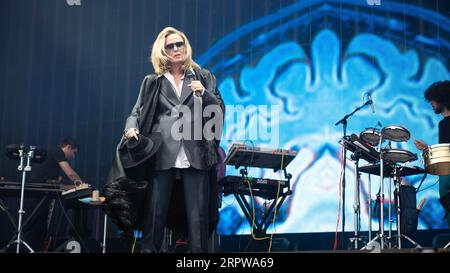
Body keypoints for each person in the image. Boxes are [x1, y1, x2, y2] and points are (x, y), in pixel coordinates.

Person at [105, 27, 224, 253]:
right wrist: (131, 128)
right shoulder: (152, 82)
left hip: (195, 154)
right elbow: (136, 112)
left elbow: (218, 111)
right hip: (162, 153)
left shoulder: (204, 76)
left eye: (179, 44)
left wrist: (204, 94)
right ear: (163, 51)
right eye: (170, 46)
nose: (176, 49)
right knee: (155, 214)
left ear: (186, 46)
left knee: (197, 216)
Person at [414, 80, 450, 227]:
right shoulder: (443, 123)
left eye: (432, 100)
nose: (431, 104)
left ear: (442, 98)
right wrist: (427, 149)